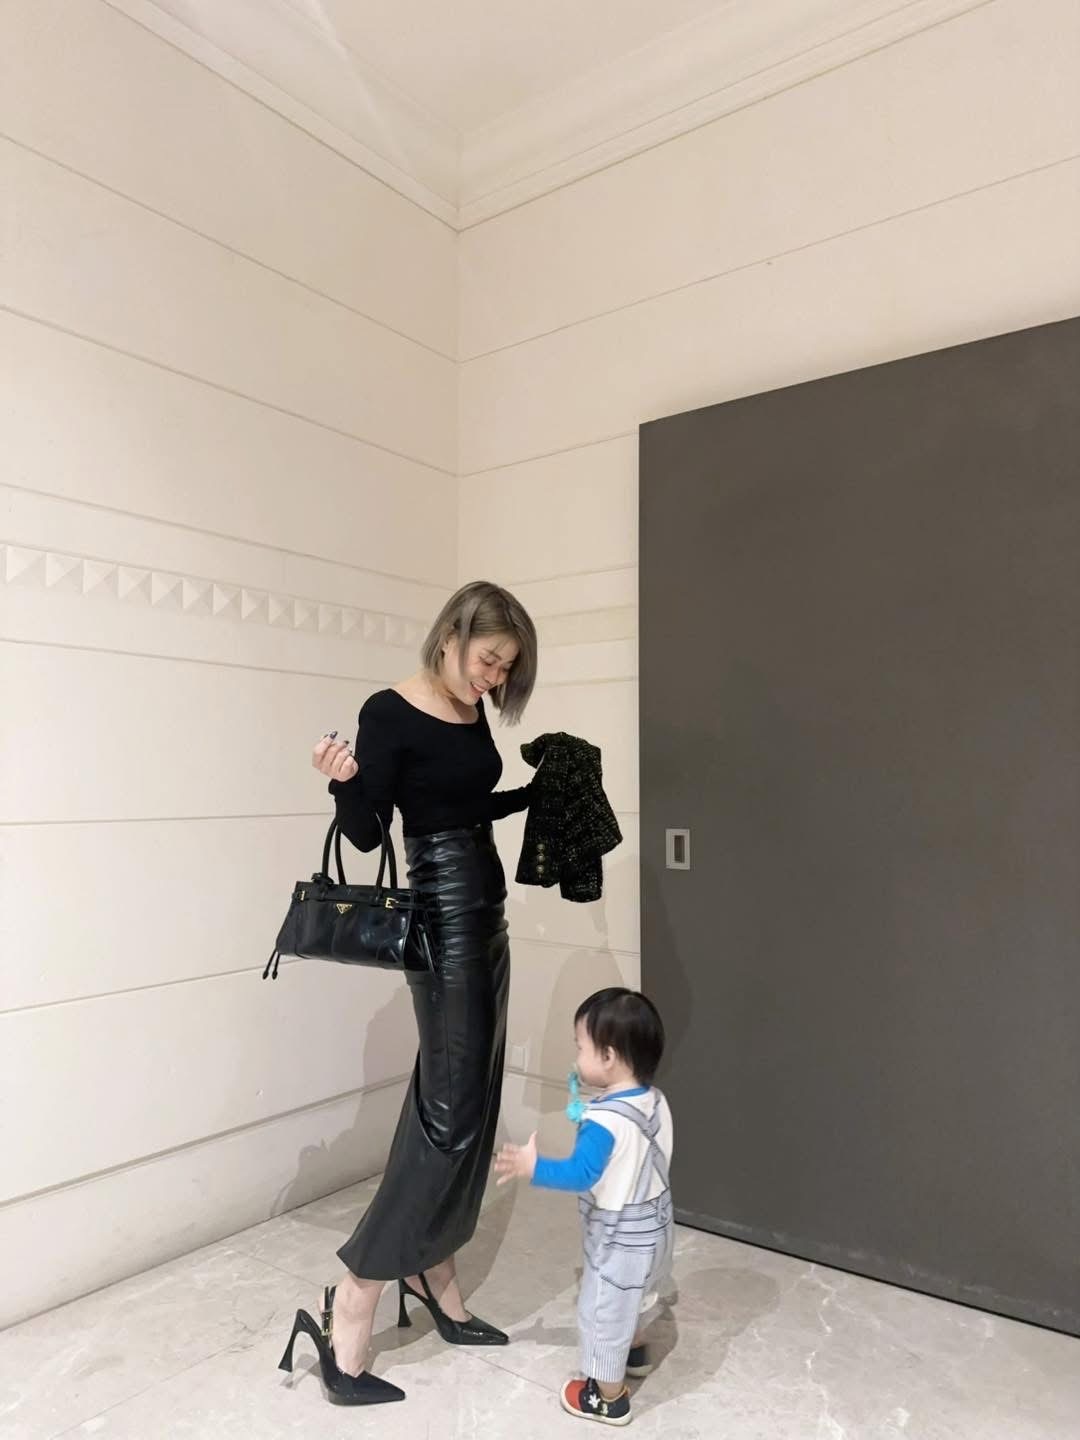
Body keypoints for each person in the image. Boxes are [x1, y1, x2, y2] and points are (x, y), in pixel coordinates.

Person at [277, 581, 538, 1407]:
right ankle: (355, 1294)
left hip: (487, 909)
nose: (495, 679)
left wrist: (538, 792)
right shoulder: (388, 710)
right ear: (452, 634)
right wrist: (341, 780)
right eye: (489, 660)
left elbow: (464, 802)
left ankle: (435, 1270)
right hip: (440, 911)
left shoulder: (471, 708)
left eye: (506, 669)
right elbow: (368, 830)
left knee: (468, 1095)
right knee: (450, 1111)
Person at [495, 988, 674, 1428]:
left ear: (608, 1057)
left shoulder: (603, 1121)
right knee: (640, 1292)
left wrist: (533, 1167)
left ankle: (607, 1397)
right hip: (657, 1227)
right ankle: (636, 1351)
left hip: (620, 1236)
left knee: (605, 1310)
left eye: (581, 1047)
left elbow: (580, 1174)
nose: (576, 1057)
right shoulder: (655, 1101)